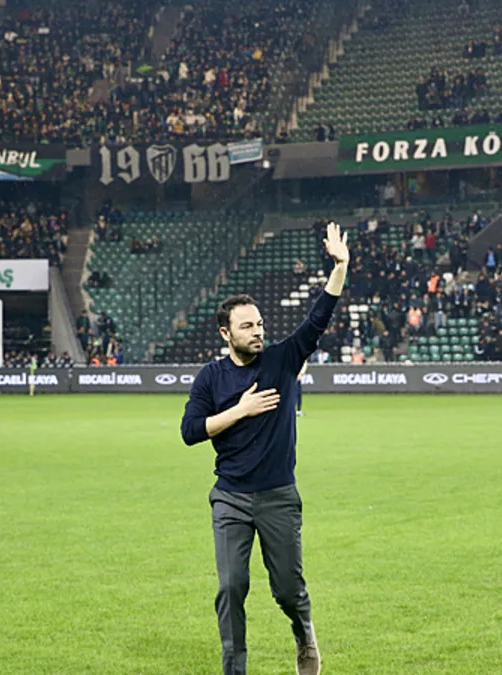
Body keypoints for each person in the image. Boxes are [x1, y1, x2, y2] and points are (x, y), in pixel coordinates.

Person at [180, 222, 350, 675]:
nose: (257, 331)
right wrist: (241, 409)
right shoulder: (211, 378)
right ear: (225, 333)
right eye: (247, 326)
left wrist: (340, 266)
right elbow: (191, 431)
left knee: (287, 590)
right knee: (232, 586)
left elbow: (319, 317)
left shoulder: (282, 358)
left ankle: (304, 634)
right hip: (231, 497)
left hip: (278, 496)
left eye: (259, 323)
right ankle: (234, 669)